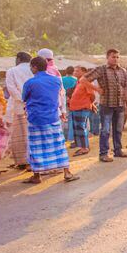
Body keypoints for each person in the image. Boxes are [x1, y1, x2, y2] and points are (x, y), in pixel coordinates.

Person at [22, 56, 79, 184]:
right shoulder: (56, 80)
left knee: (35, 147)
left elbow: (24, 97)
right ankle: (67, 172)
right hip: (52, 117)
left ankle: (37, 175)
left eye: (31, 67)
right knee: (58, 145)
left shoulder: (30, 83)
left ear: (35, 67)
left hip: (35, 118)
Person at [84, 49, 127, 163]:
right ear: (107, 57)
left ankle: (118, 150)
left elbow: (125, 88)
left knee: (118, 129)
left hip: (119, 105)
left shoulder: (123, 71)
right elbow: (83, 80)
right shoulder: (101, 70)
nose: (115, 59)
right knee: (105, 130)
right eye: (113, 57)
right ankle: (103, 153)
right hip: (106, 105)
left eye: (117, 57)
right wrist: (97, 89)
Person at [5, 51, 33, 168]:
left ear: (19, 59)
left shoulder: (12, 71)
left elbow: (11, 88)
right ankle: (31, 161)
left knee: (20, 135)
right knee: (31, 134)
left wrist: (22, 99)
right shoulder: (33, 69)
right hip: (33, 105)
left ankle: (23, 162)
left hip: (19, 106)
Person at [68, 66, 98, 156]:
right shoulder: (79, 81)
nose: (74, 72)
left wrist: (90, 104)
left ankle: (84, 148)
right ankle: (82, 146)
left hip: (82, 107)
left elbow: (92, 95)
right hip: (76, 107)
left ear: (84, 72)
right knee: (78, 128)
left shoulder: (86, 81)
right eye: (74, 71)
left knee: (81, 127)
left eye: (77, 71)